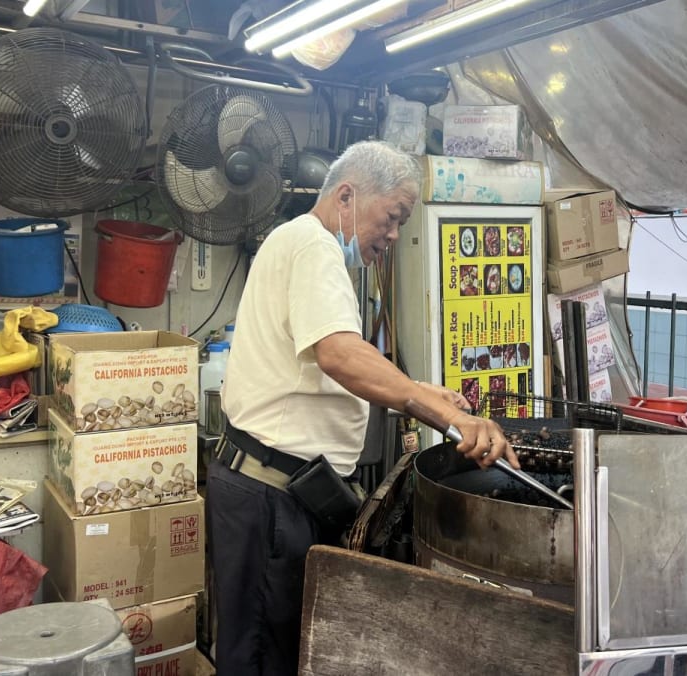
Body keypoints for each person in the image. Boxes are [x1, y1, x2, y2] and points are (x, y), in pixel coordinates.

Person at [210, 140, 518, 675]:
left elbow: (328, 360)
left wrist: (419, 389)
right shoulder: (313, 245)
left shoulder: (304, 246)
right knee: (263, 661)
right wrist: (440, 410)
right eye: (393, 217)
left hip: (277, 494)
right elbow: (338, 354)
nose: (395, 235)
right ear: (347, 195)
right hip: (270, 499)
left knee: (273, 650)